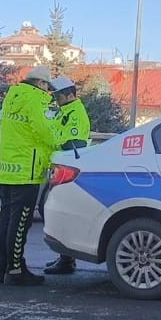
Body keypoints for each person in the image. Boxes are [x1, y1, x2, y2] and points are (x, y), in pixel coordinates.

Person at [0, 66, 58, 286]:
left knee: (6, 221)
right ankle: (16, 270)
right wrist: (58, 141)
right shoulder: (36, 99)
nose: (48, 92)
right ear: (41, 84)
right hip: (26, 171)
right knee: (20, 224)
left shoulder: (12, 96)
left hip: (7, 170)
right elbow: (44, 131)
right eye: (47, 87)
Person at [43, 76, 91, 275]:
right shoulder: (65, 111)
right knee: (54, 213)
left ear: (70, 95)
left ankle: (67, 259)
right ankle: (65, 257)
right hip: (60, 169)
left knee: (60, 214)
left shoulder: (76, 113)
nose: (56, 99)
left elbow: (72, 144)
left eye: (59, 96)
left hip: (67, 171)